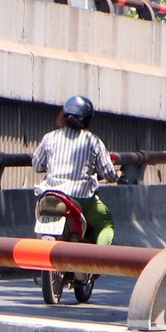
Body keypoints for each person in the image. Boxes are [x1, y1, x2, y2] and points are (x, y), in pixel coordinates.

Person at [31, 94, 119, 247]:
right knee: (105, 223)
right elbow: (108, 173)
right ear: (87, 119)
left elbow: (37, 165)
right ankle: (97, 259)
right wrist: (116, 176)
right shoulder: (93, 141)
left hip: (49, 195)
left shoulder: (49, 138)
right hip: (81, 197)